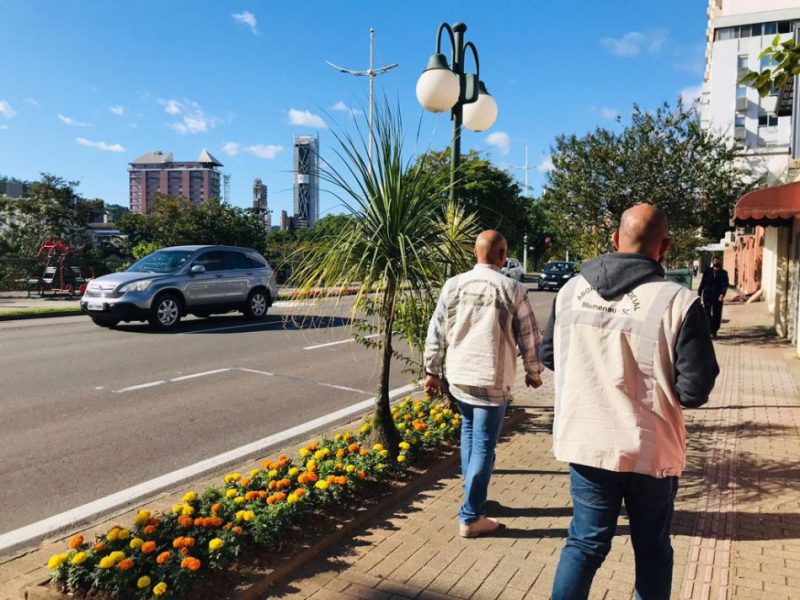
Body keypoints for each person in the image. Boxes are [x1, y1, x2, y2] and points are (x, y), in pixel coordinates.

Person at [540, 204, 719, 600]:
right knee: (652, 550)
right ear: (665, 247)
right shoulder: (679, 301)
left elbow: (550, 355)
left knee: (584, 545)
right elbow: (694, 391)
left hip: (586, 442)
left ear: (616, 240)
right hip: (649, 452)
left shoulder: (571, 290)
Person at [423, 230, 544, 538]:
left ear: (475, 254)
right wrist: (533, 372)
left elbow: (436, 330)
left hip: (460, 376)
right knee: (484, 445)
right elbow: (529, 336)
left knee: (469, 435)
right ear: (503, 256)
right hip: (492, 377)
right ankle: (472, 515)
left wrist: (432, 371)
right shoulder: (513, 288)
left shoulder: (454, 285)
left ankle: (472, 496)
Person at [698, 256, 729, 339]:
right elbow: (702, 283)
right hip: (707, 295)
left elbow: (725, 285)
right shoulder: (707, 272)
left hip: (718, 296)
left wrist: (722, 294)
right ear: (712, 262)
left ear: (720, 262)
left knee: (717, 314)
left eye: (718, 261)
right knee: (707, 313)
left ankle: (714, 331)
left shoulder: (724, 273)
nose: (716, 262)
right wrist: (699, 294)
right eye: (715, 261)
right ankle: (709, 330)